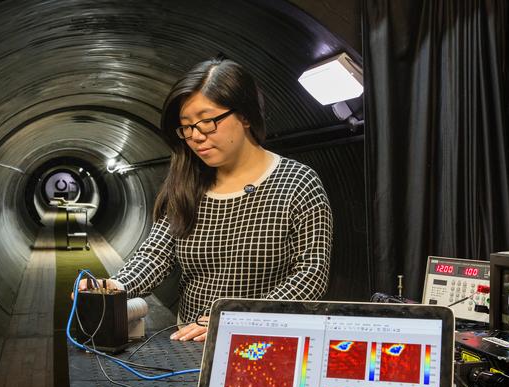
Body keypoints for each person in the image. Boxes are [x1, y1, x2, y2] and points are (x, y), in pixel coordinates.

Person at [78, 58, 332, 342]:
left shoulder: (297, 183)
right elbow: (156, 255)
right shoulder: (188, 183)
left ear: (245, 115)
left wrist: (240, 318)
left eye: (208, 122)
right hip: (192, 339)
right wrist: (112, 286)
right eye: (186, 127)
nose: (196, 136)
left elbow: (310, 275)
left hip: (266, 341)